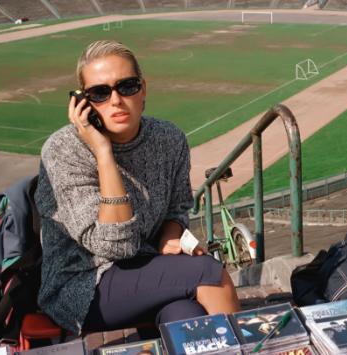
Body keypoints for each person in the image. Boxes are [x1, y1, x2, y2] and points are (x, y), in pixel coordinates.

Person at [35, 40, 240, 335]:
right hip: (83, 284)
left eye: (127, 86)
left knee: (187, 316)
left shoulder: (169, 139)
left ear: (143, 88)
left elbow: (178, 206)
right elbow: (115, 246)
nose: (116, 100)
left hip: (149, 266)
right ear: (82, 102)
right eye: (100, 93)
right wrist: (103, 153)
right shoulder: (64, 149)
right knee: (210, 273)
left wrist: (170, 235)